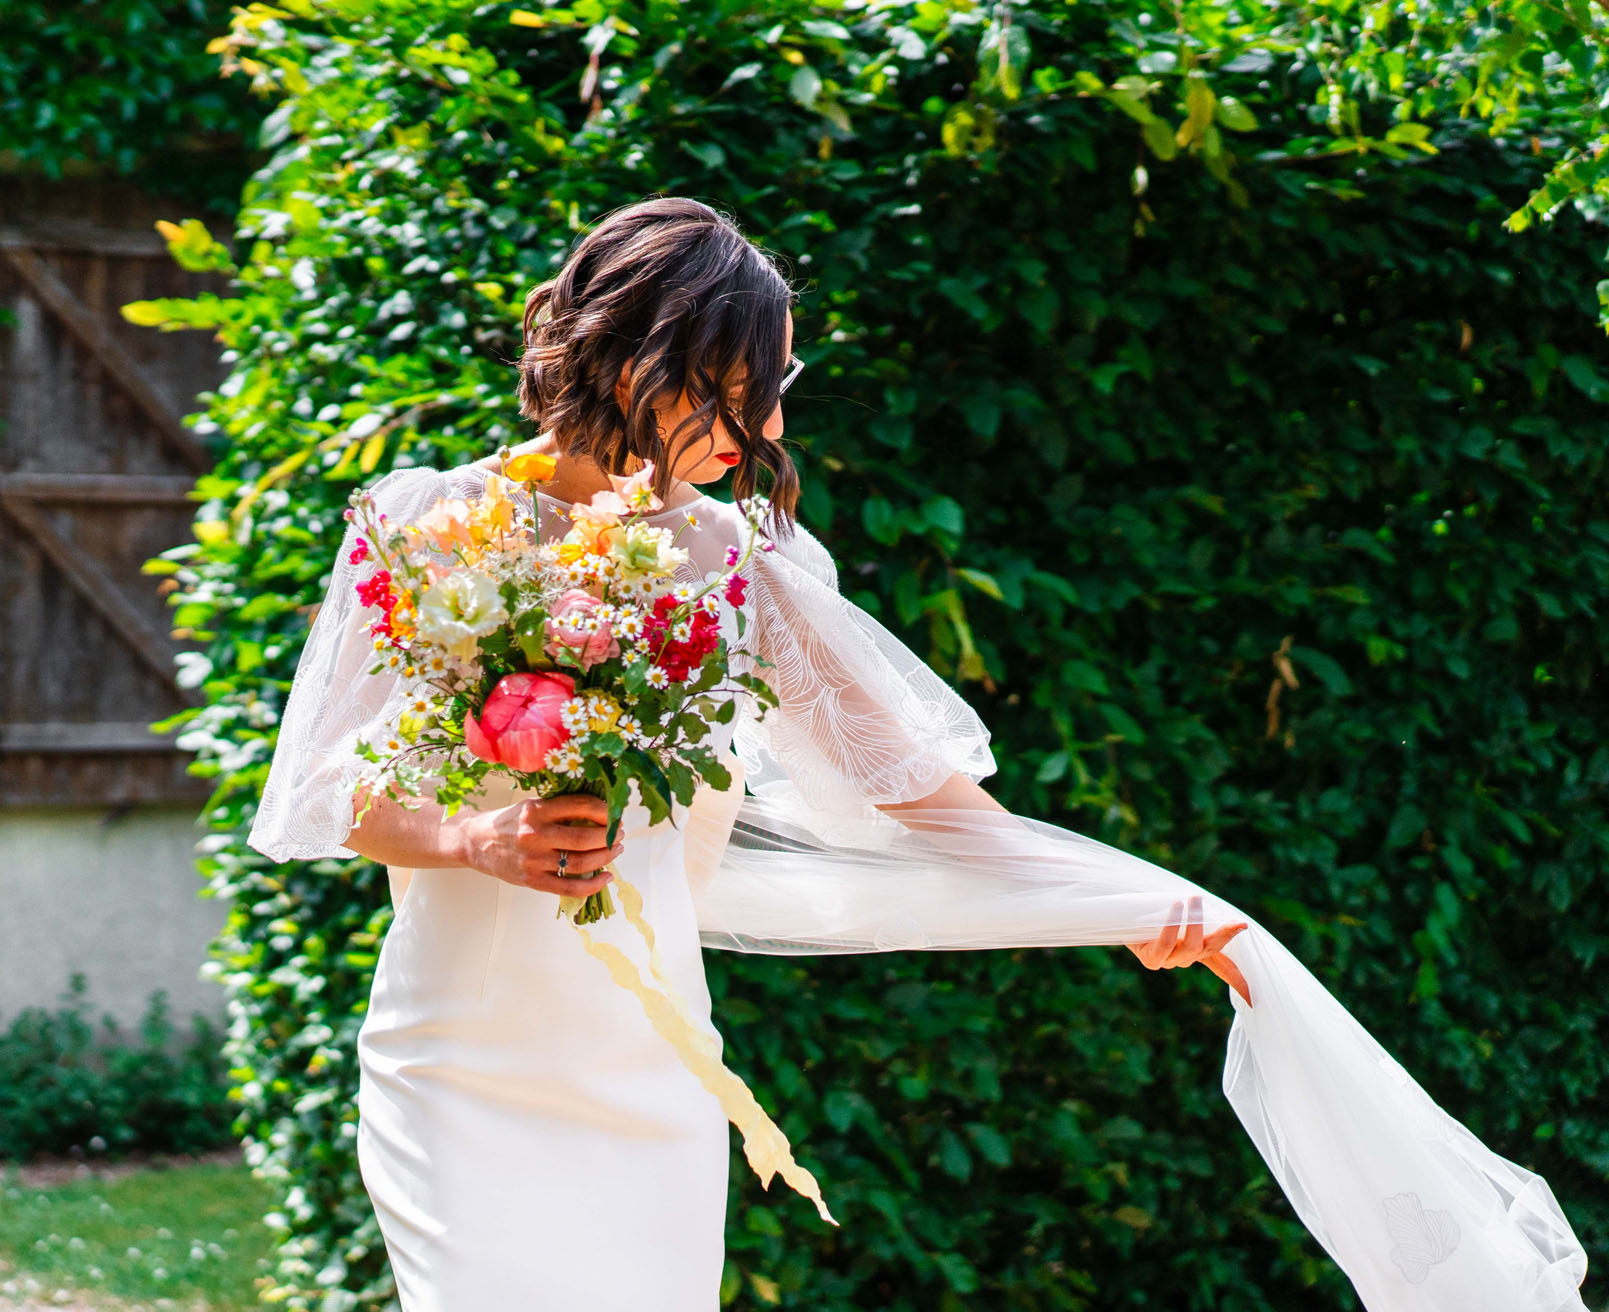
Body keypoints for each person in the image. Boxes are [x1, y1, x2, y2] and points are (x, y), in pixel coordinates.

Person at [247, 198, 1586, 1312]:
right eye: (738, 393)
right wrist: (471, 835)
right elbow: (319, 792)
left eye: (769, 396)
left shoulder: (736, 568)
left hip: (645, 1068)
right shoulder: (423, 524)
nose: (763, 434)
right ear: (637, 358)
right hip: (456, 1059)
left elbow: (932, 806)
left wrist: (1138, 903)